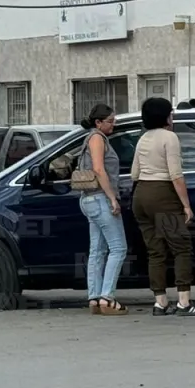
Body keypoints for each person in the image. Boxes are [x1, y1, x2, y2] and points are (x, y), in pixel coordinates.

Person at [131, 97, 195, 316]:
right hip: (162, 194)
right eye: (170, 114)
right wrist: (186, 205)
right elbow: (175, 175)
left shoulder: (142, 138)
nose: (172, 118)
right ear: (165, 116)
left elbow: (135, 173)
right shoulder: (170, 138)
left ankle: (160, 302)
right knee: (181, 247)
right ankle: (184, 302)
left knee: (155, 251)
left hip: (140, 195)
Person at [78, 103, 128, 316]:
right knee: (119, 248)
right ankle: (107, 297)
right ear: (98, 122)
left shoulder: (89, 138)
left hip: (89, 198)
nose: (113, 125)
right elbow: (99, 169)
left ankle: (94, 298)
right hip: (100, 198)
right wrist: (112, 198)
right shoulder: (97, 138)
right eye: (110, 121)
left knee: (97, 251)